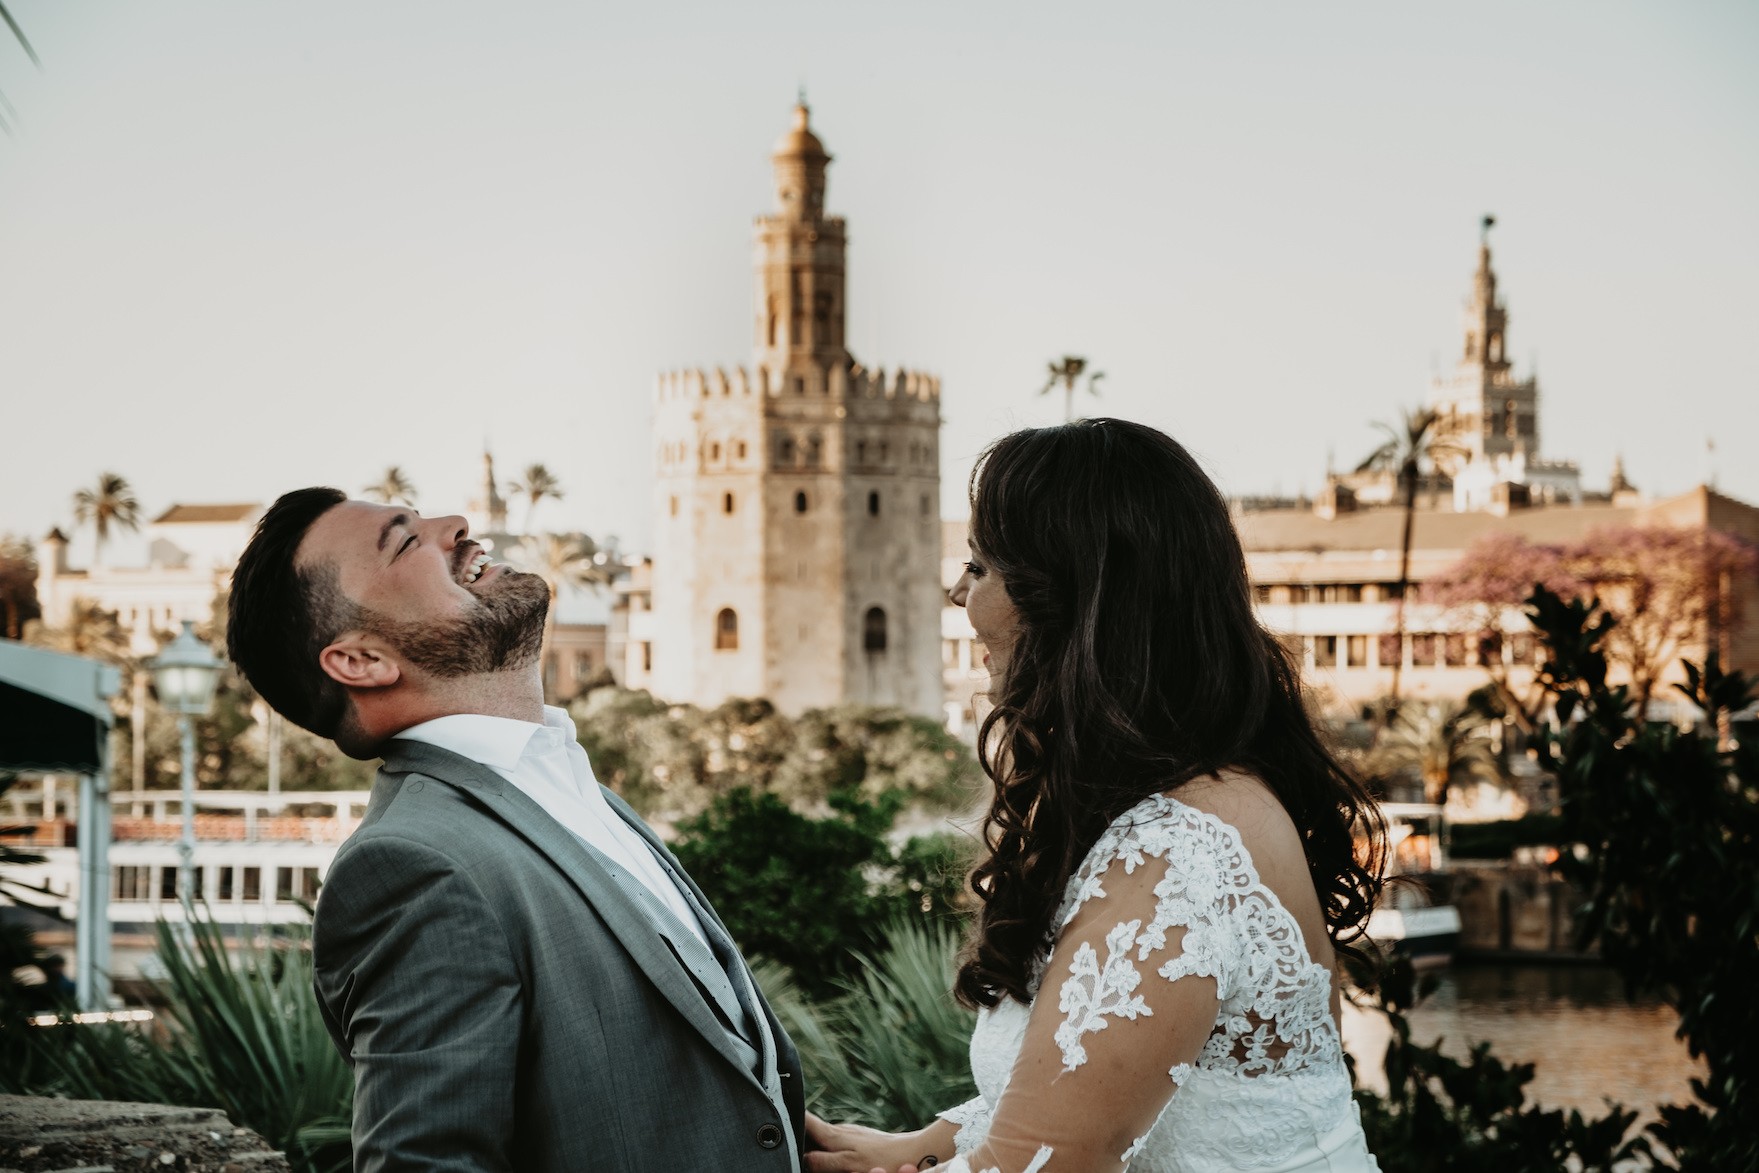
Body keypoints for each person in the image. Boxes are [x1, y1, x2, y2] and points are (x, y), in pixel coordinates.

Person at [807, 419, 1386, 1173]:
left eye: (980, 566)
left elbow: (1047, 1161)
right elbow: (1104, 1093)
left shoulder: (1177, 853)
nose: (958, 592)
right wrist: (918, 1150)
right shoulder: (1187, 797)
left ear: (1069, 599)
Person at [227, 488, 805, 1172]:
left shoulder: (572, 789)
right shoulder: (412, 865)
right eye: (405, 540)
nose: (454, 525)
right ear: (361, 661)